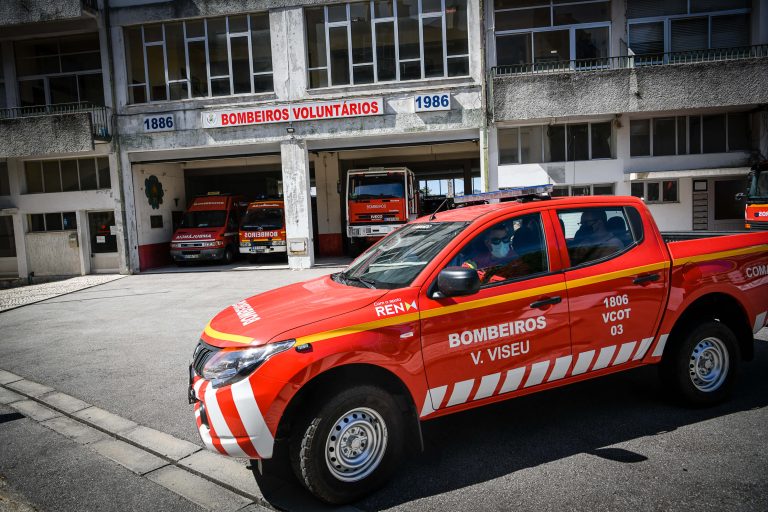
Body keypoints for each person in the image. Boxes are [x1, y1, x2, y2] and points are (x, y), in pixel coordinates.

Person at [461, 225, 529, 283]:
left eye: (505, 239)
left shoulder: (514, 260)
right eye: (496, 240)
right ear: (487, 243)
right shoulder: (483, 257)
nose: (502, 243)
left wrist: (481, 276)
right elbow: (467, 266)